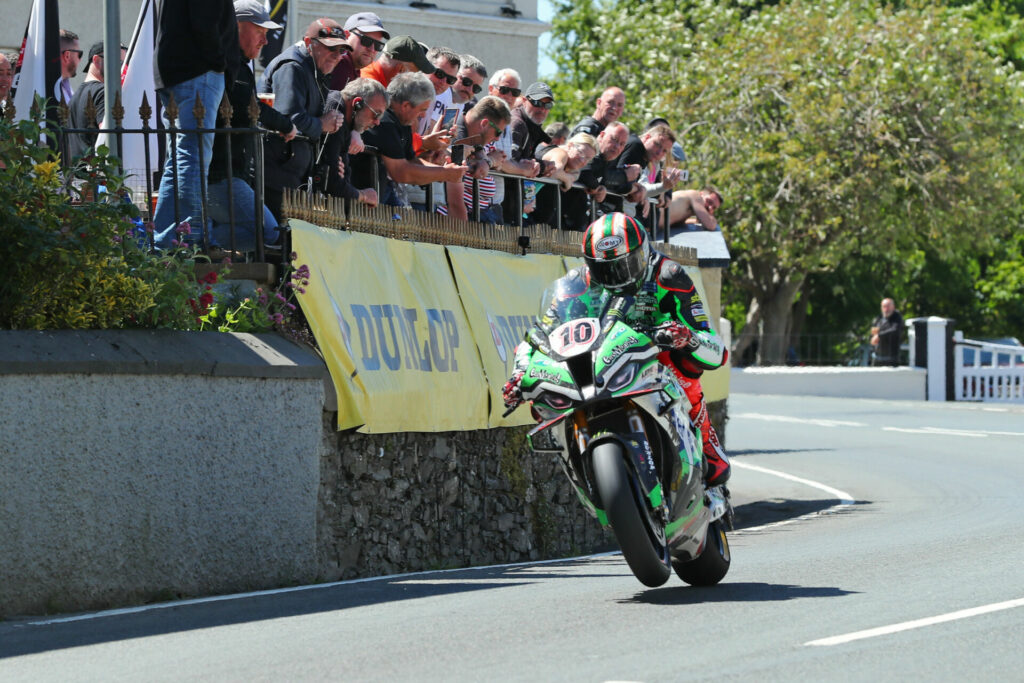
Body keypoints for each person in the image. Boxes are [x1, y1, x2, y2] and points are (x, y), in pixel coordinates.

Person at [502, 212, 730, 487]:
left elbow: (714, 346)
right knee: (544, 396)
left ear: (643, 253)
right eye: (605, 269)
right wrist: (519, 374)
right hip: (601, 361)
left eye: (626, 264)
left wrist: (687, 337)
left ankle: (706, 445)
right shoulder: (576, 285)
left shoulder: (668, 275)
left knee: (684, 366)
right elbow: (538, 336)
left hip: (652, 355)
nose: (615, 276)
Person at [205, 0, 294, 253]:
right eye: (260, 32)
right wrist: (286, 124)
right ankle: (197, 242)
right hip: (221, 173)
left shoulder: (237, 63)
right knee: (268, 231)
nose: (265, 41)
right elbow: (248, 105)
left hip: (229, 171)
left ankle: (201, 241)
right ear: (236, 26)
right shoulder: (229, 62)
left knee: (265, 232)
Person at [152, 0, 240, 247]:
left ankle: (170, 237)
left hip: (178, 69)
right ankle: (187, 236)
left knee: (180, 159)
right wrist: (219, 62)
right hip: (197, 70)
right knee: (192, 157)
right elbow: (204, 21)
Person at [258, 17, 349, 222]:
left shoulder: (315, 69)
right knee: (273, 240)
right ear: (309, 43)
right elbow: (288, 118)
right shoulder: (293, 67)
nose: (336, 56)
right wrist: (322, 124)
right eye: (330, 48)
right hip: (274, 174)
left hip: (290, 175)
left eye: (341, 51)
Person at [352, 72, 466, 206]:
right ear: (406, 106)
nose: (423, 115)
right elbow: (401, 172)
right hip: (358, 197)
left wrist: (443, 171)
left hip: (376, 192)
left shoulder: (402, 121)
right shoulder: (384, 122)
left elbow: (413, 161)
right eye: (422, 109)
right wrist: (444, 173)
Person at [442, 95, 513, 221]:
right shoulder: (458, 140)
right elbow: (455, 203)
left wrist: (487, 160)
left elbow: (495, 158)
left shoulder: (474, 137)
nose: (497, 139)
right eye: (498, 133)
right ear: (484, 124)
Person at [318, 77, 387, 206]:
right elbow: (332, 183)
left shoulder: (346, 121)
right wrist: (363, 196)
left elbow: (342, 178)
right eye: (376, 114)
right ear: (357, 103)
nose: (377, 122)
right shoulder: (337, 115)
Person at [66, 41, 126, 160]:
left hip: (77, 173)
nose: (122, 69)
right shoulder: (103, 92)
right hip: (97, 174)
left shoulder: (75, 95)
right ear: (97, 61)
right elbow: (109, 137)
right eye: (119, 62)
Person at [327, 12, 390, 91]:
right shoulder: (339, 64)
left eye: (378, 45)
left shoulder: (351, 67)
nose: (372, 49)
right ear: (346, 35)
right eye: (366, 40)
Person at [359, 35, 434, 87]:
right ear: (401, 69)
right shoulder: (371, 87)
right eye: (413, 76)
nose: (414, 81)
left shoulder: (374, 79)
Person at [871, 298, 904, 366]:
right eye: (884, 306)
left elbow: (895, 330)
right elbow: (873, 333)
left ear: (893, 307)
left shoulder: (897, 317)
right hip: (877, 358)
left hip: (892, 359)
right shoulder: (879, 318)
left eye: (888, 306)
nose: (886, 309)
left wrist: (879, 335)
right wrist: (872, 338)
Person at [54, 29, 81, 105]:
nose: (80, 60)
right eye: (79, 55)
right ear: (67, 56)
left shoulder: (65, 85)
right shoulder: (46, 88)